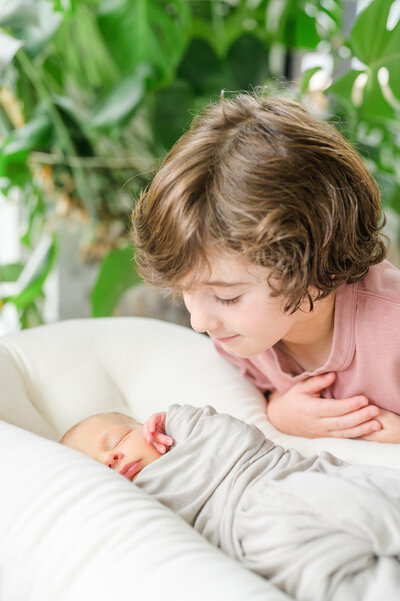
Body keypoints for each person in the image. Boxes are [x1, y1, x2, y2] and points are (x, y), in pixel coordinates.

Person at [131, 91, 400, 443]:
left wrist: (389, 433)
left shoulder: (391, 328)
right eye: (186, 292)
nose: (199, 322)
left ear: (314, 264)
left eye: (227, 297)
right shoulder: (241, 338)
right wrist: (278, 411)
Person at [61, 405, 400, 601]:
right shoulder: (131, 500)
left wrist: (174, 420)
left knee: (360, 496)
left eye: (116, 439)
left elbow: (236, 436)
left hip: (275, 478)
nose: (112, 457)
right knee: (324, 577)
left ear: (148, 424)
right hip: (248, 533)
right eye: (99, 464)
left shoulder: (183, 428)